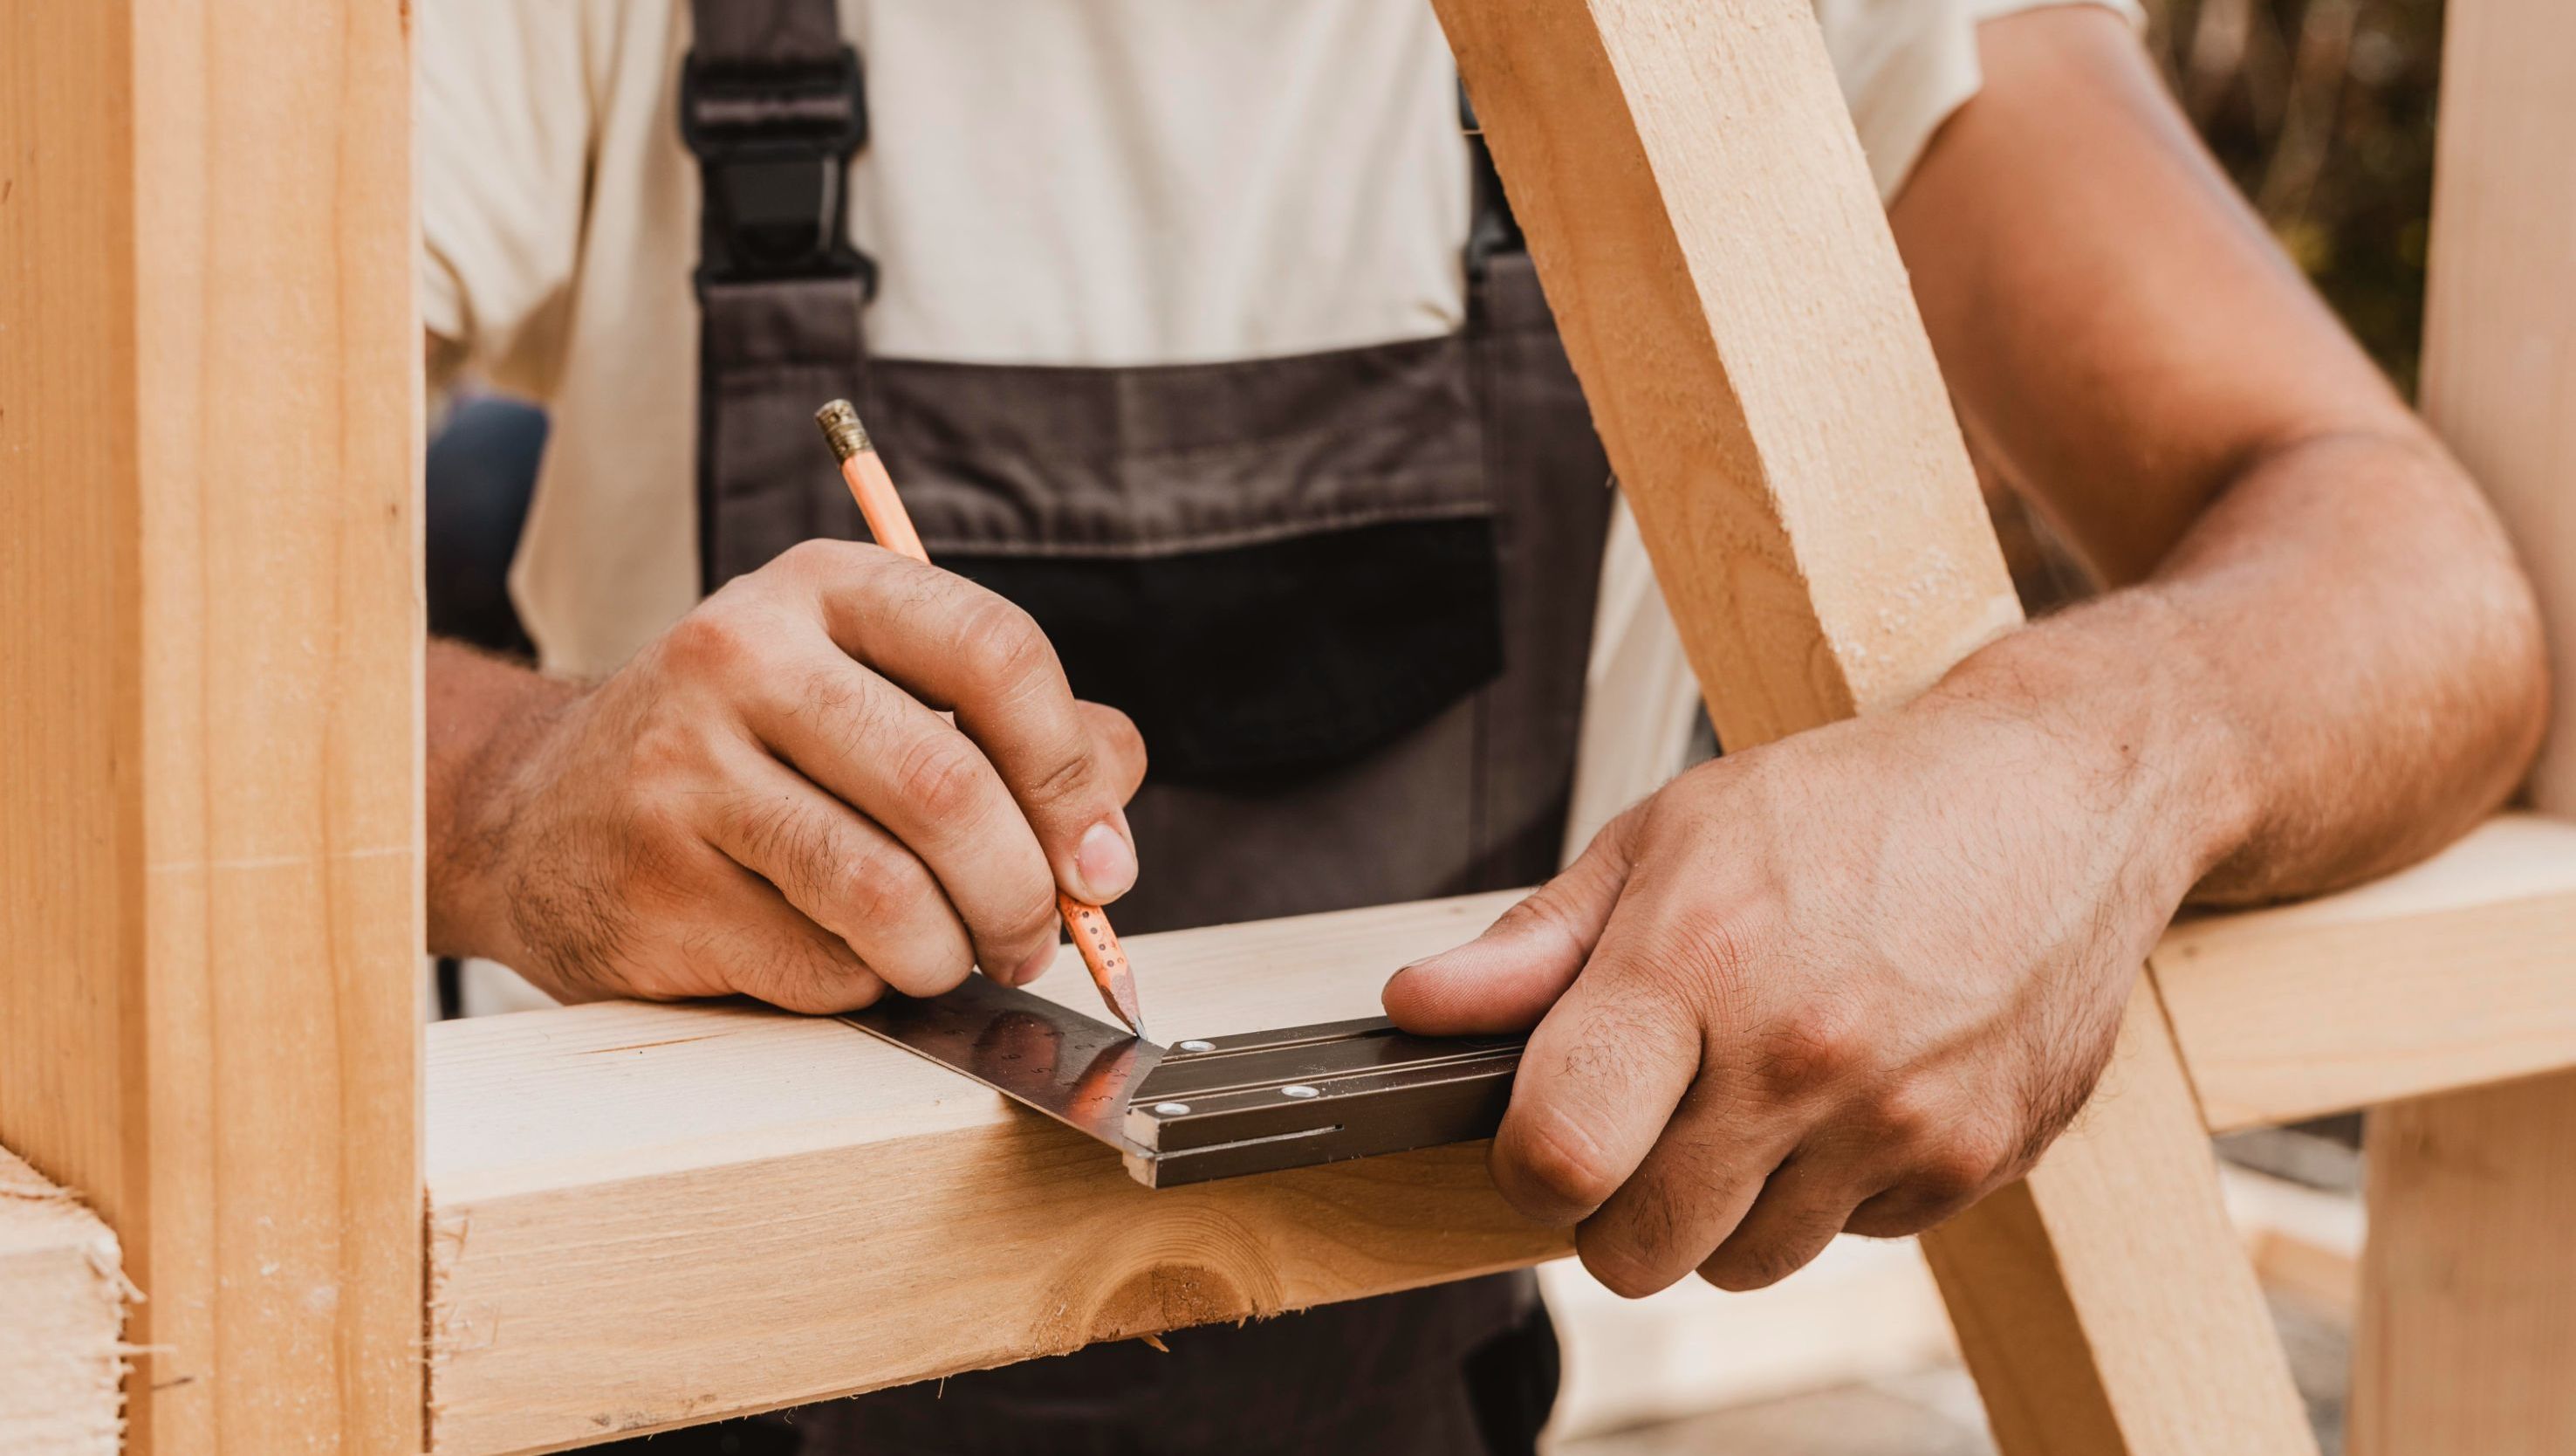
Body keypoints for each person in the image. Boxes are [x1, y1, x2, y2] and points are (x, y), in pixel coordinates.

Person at [417, 2, 2547, 1452]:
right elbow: (197, 608)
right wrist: (513, 793)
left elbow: (2422, 584)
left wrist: (2071, 764)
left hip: (1411, 1398)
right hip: (639, 1394)